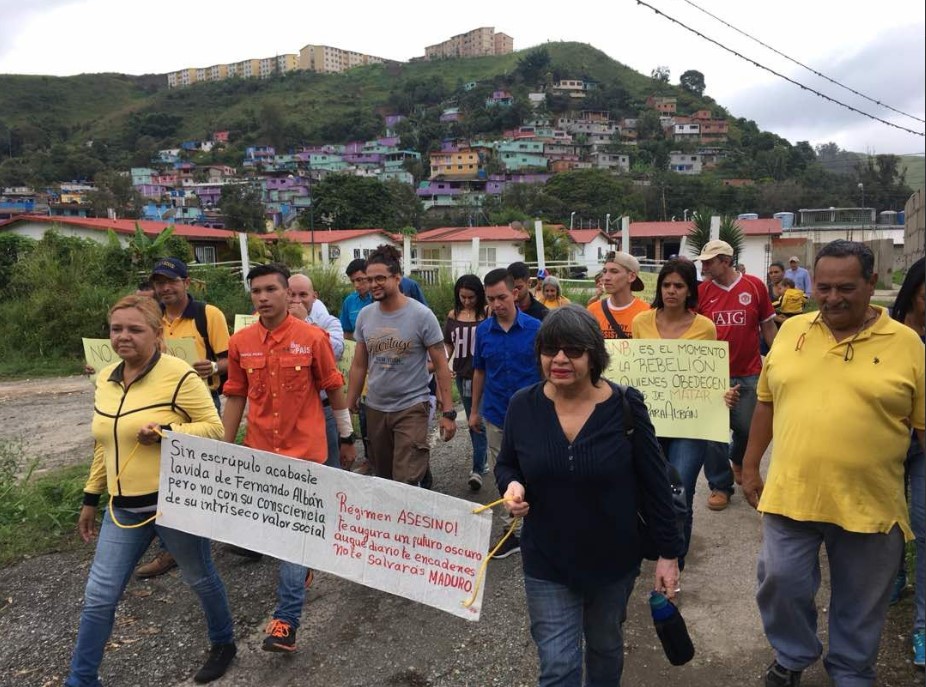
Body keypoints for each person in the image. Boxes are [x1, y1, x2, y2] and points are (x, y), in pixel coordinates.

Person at [740, 240, 925, 687]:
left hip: (871, 502)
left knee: (862, 599)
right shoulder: (791, 331)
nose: (833, 298)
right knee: (779, 582)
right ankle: (793, 652)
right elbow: (765, 401)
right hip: (792, 493)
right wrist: (749, 466)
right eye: (823, 288)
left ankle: (851, 670)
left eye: (846, 287)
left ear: (872, 284)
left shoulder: (909, 345)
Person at [496, 305, 683, 687]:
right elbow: (507, 465)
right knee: (558, 665)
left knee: (605, 648)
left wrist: (669, 554)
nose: (560, 359)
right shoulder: (522, 406)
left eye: (573, 351)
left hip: (613, 561)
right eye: (550, 350)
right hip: (547, 560)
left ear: (594, 356)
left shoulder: (626, 407)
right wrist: (511, 487)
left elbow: (655, 485)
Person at [67, 295, 235, 686]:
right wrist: (91, 498)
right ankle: (81, 678)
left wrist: (167, 433)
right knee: (99, 596)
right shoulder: (106, 379)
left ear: (157, 335)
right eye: (116, 329)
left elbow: (215, 429)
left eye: (134, 329)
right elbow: (105, 442)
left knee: (199, 577)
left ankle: (224, 642)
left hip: (172, 504)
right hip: (122, 509)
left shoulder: (178, 375)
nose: (123, 337)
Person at [222, 263, 356, 654]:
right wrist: (224, 448)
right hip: (262, 454)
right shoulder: (241, 342)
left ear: (288, 293)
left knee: (292, 537)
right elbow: (235, 395)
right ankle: (304, 570)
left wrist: (347, 437)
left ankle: (286, 621)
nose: (262, 298)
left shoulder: (312, 339)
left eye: (270, 290)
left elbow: (334, 390)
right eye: (256, 291)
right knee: (279, 532)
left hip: (307, 454)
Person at [134, 258, 231, 579]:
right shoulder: (152, 317)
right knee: (163, 474)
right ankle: (172, 547)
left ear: (186, 282)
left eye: (171, 281)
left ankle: (199, 542)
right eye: (159, 282)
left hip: (200, 403)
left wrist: (214, 368)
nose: (165, 288)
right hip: (158, 404)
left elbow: (229, 359)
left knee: (198, 472)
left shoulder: (208, 314)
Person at [632, 259, 723, 567]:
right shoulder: (641, 323)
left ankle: (675, 559)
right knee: (650, 487)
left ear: (689, 291)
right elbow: (635, 371)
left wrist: (723, 396)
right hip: (649, 423)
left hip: (690, 425)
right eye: (666, 285)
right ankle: (654, 545)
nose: (671, 291)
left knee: (680, 489)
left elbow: (709, 377)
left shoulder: (705, 327)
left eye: (679, 286)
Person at [346, 245, 455, 485]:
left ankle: (413, 514)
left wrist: (448, 411)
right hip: (375, 407)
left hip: (411, 407)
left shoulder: (421, 315)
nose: (374, 284)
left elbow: (441, 364)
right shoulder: (365, 315)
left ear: (397, 278)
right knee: (384, 478)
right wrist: (351, 398)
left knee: (405, 480)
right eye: (369, 279)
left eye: (381, 278)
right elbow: (358, 363)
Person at [696, 240, 777, 511]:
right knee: (712, 435)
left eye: (709, 261)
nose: (704, 266)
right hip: (712, 376)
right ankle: (720, 485)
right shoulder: (701, 292)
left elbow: (767, 327)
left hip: (749, 373)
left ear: (726, 261)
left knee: (746, 429)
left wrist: (777, 361)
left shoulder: (754, 286)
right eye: (703, 261)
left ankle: (739, 459)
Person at [470, 268, 542, 558]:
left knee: (536, 471)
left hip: (534, 414)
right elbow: (479, 371)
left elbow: (547, 370)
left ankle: (538, 527)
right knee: (504, 473)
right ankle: (511, 531)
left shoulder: (537, 328)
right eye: (490, 299)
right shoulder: (483, 331)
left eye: (501, 297)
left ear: (515, 292)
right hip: (497, 414)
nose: (497, 304)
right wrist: (474, 410)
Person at [888, 256, 925, 667]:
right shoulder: (889, 333)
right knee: (890, 518)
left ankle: (923, 626)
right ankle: (894, 573)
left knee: (925, 524)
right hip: (892, 444)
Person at [288, 273, 345, 470]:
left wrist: (303, 323)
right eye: (291, 294)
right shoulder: (272, 324)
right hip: (288, 412)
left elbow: (336, 350)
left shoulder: (328, 321)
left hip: (322, 409)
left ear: (314, 296)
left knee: (327, 468)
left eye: (303, 294)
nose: (296, 300)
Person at [443, 274, 488, 491]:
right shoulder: (453, 314)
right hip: (464, 376)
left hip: (487, 373)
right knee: (474, 419)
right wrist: (442, 362)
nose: (467, 302)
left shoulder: (487, 313)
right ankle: (482, 463)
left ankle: (479, 468)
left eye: (471, 297)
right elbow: (449, 345)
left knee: (481, 420)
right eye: (463, 297)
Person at [339, 258, 375, 473]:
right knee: (362, 414)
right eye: (353, 281)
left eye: (361, 280)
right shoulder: (349, 302)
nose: (358, 285)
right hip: (361, 364)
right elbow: (346, 333)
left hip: (382, 363)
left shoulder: (379, 299)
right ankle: (370, 459)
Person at [587, 251, 650, 339]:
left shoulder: (647, 312)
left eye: (614, 271)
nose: (606, 278)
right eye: (605, 271)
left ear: (631, 277)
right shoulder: (592, 311)